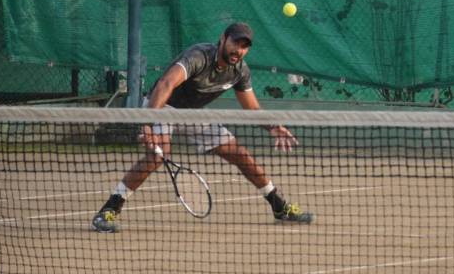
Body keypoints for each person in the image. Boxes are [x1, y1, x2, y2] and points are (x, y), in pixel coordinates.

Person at [92, 22, 313, 232]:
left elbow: (252, 107)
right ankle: (108, 210)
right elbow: (166, 83)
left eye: (245, 46)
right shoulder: (199, 56)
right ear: (223, 39)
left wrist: (273, 127)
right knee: (157, 157)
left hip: (194, 114)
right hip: (162, 105)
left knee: (241, 154)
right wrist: (148, 122)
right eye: (235, 42)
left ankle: (279, 206)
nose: (239, 49)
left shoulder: (239, 71)